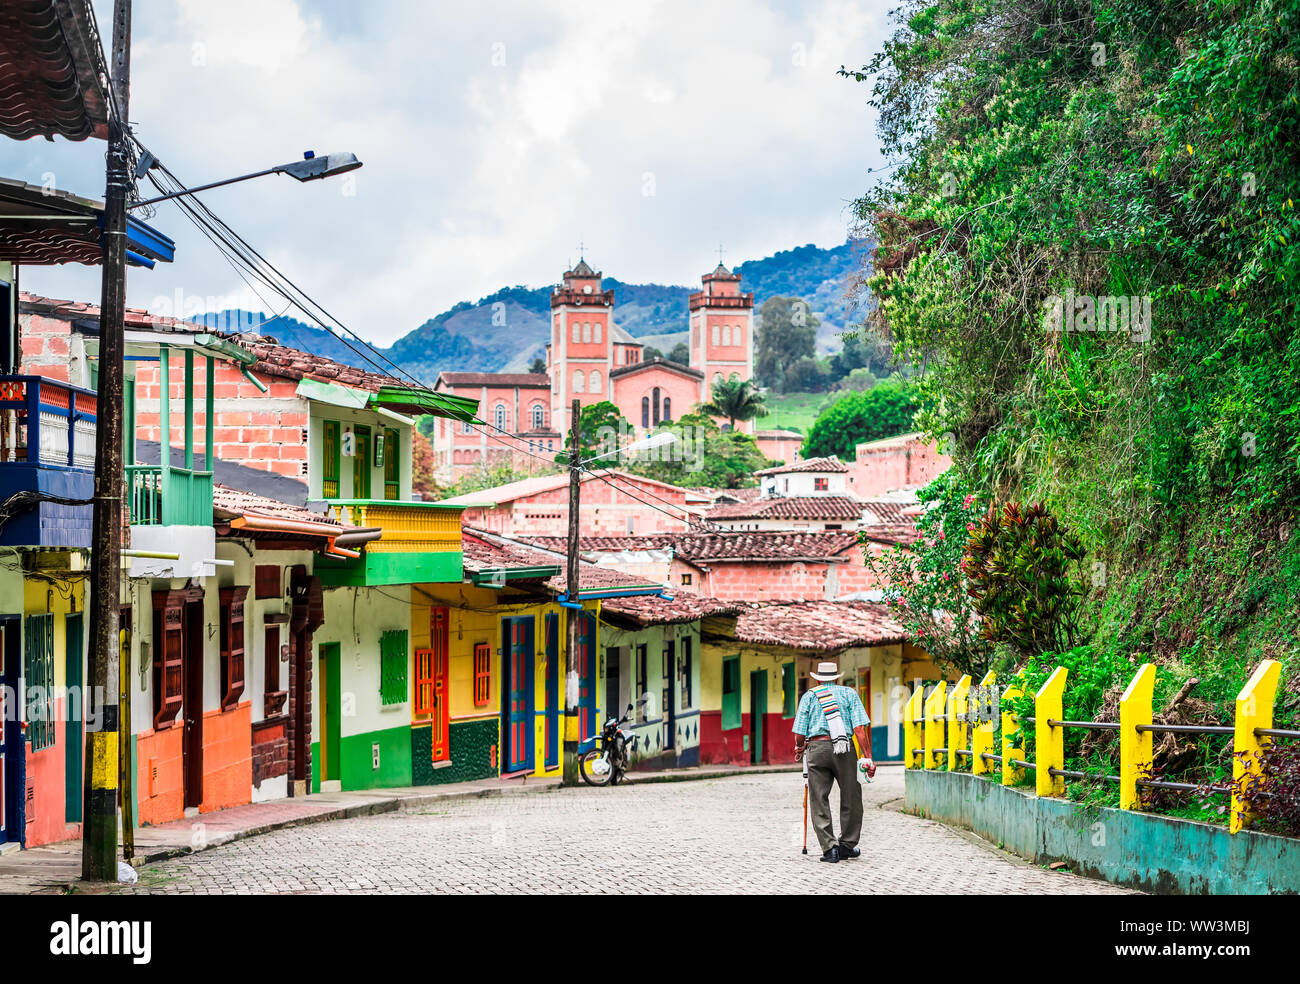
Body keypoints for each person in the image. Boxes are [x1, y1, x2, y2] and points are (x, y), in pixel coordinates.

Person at [792, 661, 876, 863]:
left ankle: (830, 849)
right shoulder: (849, 694)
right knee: (851, 795)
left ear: (818, 679)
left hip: (816, 749)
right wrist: (868, 757)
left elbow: (799, 733)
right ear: (837, 677)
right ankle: (847, 845)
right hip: (844, 747)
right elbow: (859, 730)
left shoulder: (810, 696)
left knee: (818, 799)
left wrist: (800, 747)